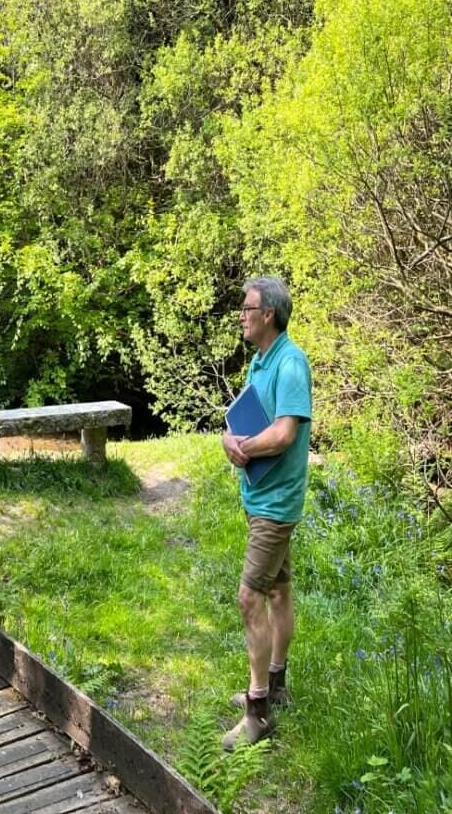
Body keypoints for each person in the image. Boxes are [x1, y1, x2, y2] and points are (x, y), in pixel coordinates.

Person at [221, 276, 312, 750]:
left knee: (249, 598)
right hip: (260, 498)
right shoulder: (261, 362)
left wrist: (244, 449)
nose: (242, 313)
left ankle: (258, 713)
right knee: (278, 591)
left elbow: (282, 435)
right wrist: (228, 440)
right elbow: (239, 419)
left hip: (276, 505)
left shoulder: (291, 363)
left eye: (247, 306)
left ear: (268, 314)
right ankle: (276, 684)